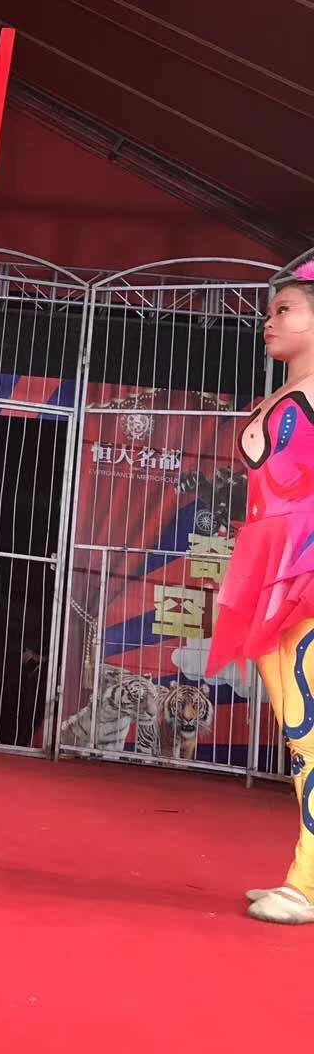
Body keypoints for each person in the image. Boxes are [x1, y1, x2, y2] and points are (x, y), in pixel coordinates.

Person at [207, 262, 314, 924]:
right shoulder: (291, 391)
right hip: (274, 563)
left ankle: (310, 882)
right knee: (298, 724)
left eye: (285, 310)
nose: (269, 322)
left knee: (310, 726)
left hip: (305, 565)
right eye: (271, 311)